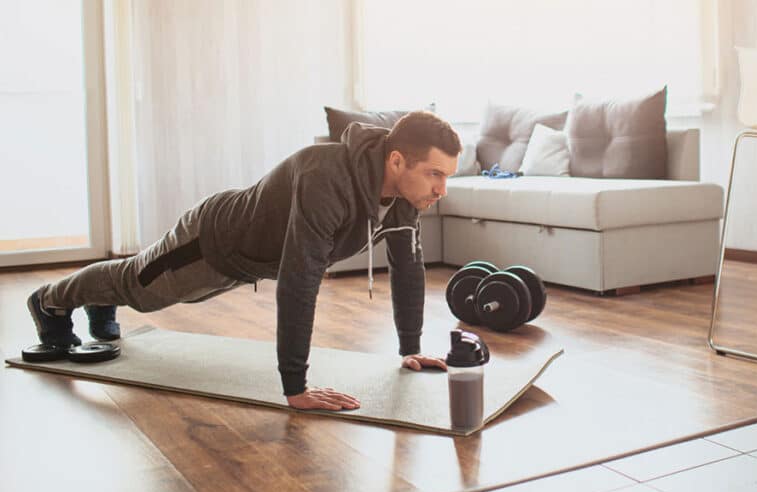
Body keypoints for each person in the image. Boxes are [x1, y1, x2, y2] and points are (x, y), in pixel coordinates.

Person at [27, 111, 460, 411]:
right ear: (397, 160)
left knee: (135, 290)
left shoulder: (406, 200)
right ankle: (49, 301)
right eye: (434, 174)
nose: (441, 190)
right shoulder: (325, 177)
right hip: (212, 238)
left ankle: (102, 301)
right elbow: (300, 280)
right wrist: (296, 387)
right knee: (140, 290)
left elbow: (408, 270)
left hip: (249, 262)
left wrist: (411, 349)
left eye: (447, 177)